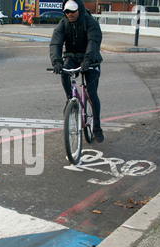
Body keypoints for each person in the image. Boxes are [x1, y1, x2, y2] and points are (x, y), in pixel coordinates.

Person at [50, 0, 104, 143]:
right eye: (67, 11)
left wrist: (88, 60)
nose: (70, 14)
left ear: (79, 10)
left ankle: (97, 128)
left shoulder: (90, 22)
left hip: (91, 59)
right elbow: (56, 43)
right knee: (64, 72)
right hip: (72, 57)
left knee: (92, 93)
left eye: (73, 11)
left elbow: (94, 41)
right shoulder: (63, 24)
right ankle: (70, 101)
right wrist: (57, 61)